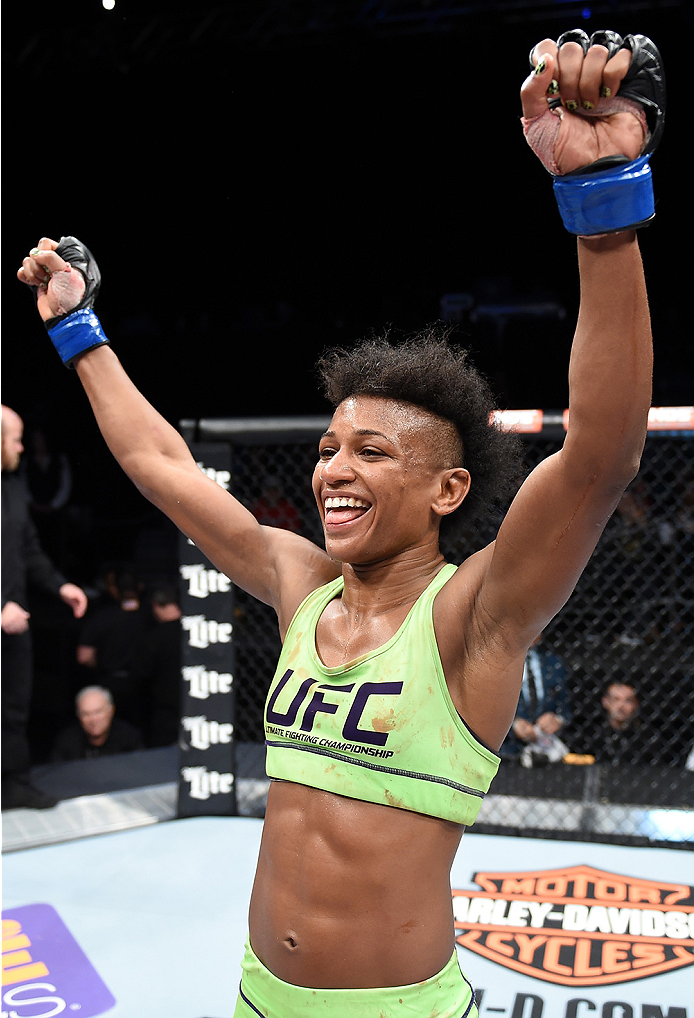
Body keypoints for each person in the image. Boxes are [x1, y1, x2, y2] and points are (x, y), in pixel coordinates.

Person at [17, 29, 661, 1018]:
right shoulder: (298, 581)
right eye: (326, 447)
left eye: (370, 452)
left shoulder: (473, 616)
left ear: (447, 490)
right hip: (258, 996)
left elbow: (600, 455)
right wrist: (79, 330)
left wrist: (605, 207)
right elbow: (154, 464)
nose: (332, 469)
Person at [1, 404, 88, 810]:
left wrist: (60, 586)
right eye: (15, 438)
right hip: (7, 612)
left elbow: (29, 550)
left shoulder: (13, 487)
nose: (20, 446)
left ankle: (13, 782)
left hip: (14, 621)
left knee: (15, 703)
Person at [76, 567, 150, 729]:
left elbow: (84, 656)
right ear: (140, 587)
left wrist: (99, 665)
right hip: (144, 687)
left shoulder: (102, 616)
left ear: (114, 590)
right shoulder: (151, 614)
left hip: (111, 682)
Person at [501, 632, 572, 765]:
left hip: (548, 750)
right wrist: (512, 724)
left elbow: (566, 707)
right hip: (508, 751)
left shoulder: (554, 663)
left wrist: (557, 719)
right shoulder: (498, 665)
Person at [51, 685, 143, 762]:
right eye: (86, 714)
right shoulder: (67, 741)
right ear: (78, 716)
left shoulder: (129, 737)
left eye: (98, 712)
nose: (93, 720)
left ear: (111, 711)